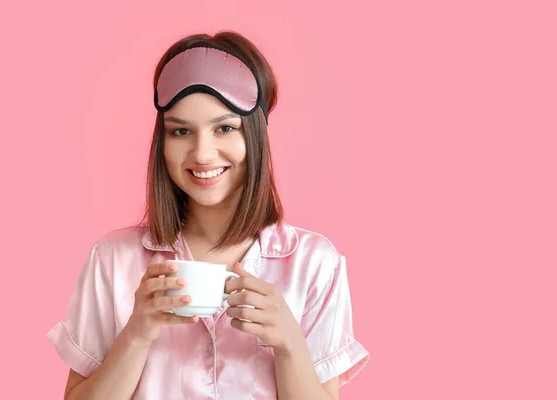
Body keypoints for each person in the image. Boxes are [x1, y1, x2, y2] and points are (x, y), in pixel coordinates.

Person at [47, 30, 370, 400]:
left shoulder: (313, 264)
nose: (202, 153)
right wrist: (137, 333)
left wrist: (289, 345)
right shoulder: (113, 259)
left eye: (225, 128)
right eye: (181, 131)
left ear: (256, 136)